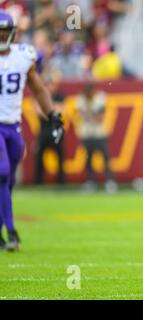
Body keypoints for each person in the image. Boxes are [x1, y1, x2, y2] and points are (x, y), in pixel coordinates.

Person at [0, 10, 64, 251]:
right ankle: (12, 232)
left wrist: (53, 114)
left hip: (13, 126)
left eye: (5, 32)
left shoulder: (23, 56)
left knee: (7, 181)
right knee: (3, 173)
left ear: (13, 33)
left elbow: (38, 90)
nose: (2, 36)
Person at [75, 83, 117, 193]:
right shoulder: (81, 100)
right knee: (88, 159)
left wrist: (90, 112)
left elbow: (100, 118)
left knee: (105, 158)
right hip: (87, 133)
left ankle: (109, 181)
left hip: (99, 132)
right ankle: (91, 181)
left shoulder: (100, 98)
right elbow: (82, 115)